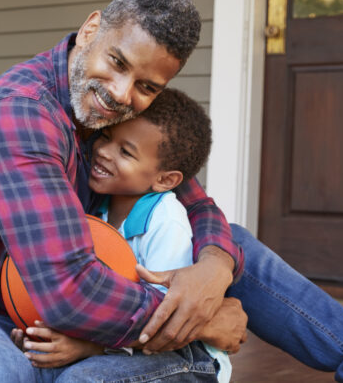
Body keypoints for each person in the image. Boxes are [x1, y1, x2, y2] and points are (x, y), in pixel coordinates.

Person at [0, 0, 343, 382]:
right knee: (1, 373)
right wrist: (203, 320)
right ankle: (190, 361)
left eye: (147, 86)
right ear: (91, 30)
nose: (119, 93)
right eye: (116, 62)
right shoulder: (19, 117)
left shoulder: (109, 115)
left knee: (229, 246)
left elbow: (197, 205)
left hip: (64, 316)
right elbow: (69, 292)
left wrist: (214, 268)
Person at [13, 88, 233, 382]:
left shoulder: (166, 221)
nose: (103, 151)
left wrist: (92, 348)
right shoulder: (95, 208)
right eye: (106, 136)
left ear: (165, 179)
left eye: (126, 152)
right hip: (119, 345)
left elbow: (167, 320)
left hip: (185, 354)